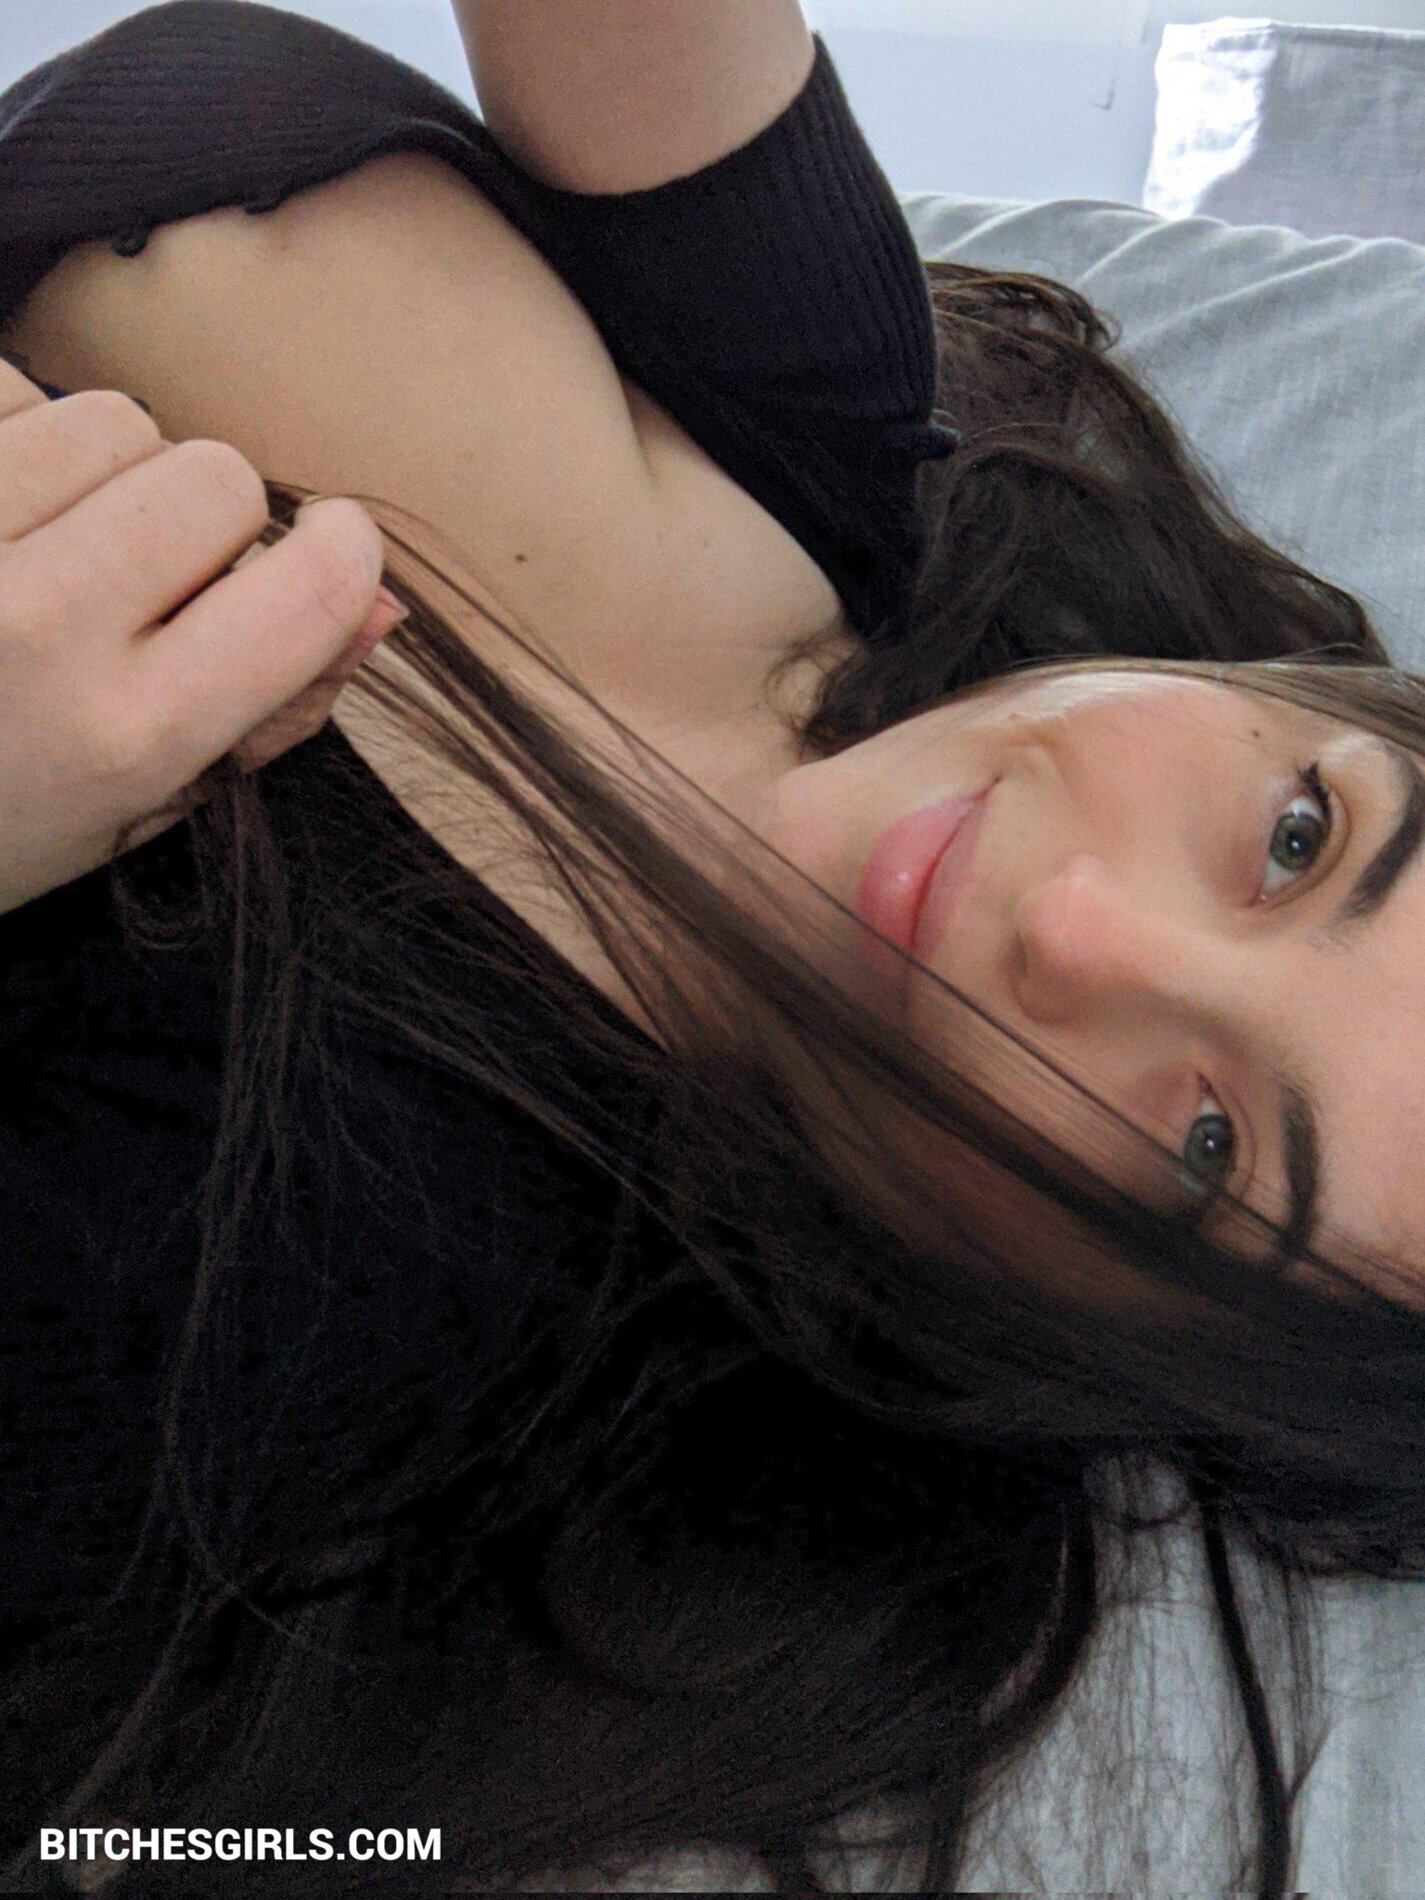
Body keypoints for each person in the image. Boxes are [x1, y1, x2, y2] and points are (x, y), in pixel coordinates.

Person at [1, 4, 1423, 1895]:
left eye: (1204, 1148)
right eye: (1299, 836)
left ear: (1080, 1343)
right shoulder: (841, 445)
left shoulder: (284, 1286)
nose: (1078, 926)